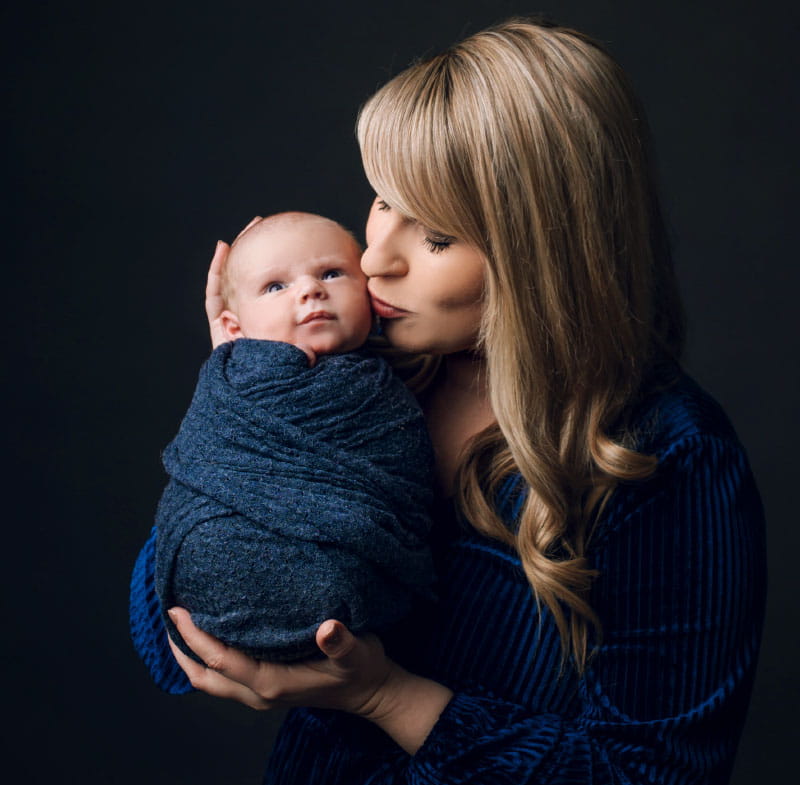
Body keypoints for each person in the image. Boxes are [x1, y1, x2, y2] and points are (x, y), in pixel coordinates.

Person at [129, 18, 766, 783]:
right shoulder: (365, 373)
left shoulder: (665, 456)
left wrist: (386, 698)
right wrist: (245, 404)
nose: (372, 258)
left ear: (543, 255)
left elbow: (654, 773)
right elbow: (167, 631)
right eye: (382, 201)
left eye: (434, 237)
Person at [146, 212, 436, 668]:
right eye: (275, 287)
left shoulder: (384, 384)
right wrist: (246, 372)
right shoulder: (232, 384)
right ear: (234, 330)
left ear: (370, 296)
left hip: (359, 598)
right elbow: (206, 475)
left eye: (332, 273)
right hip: (221, 569)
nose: (310, 290)